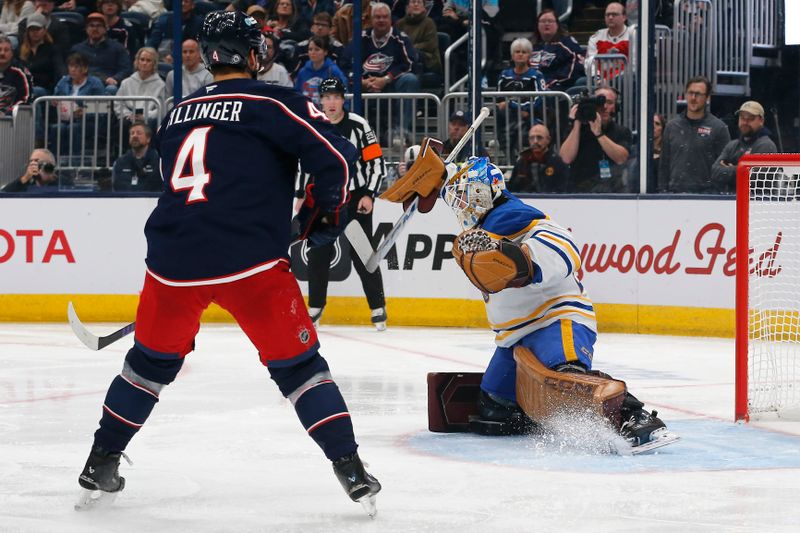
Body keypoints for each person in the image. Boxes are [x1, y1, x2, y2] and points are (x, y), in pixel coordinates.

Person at [75, 11, 381, 515]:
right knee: (301, 370)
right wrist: (325, 212)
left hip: (171, 261)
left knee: (147, 367)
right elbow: (340, 158)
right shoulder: (275, 101)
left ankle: (100, 459)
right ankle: (349, 468)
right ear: (252, 53)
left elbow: (181, 177)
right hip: (250, 264)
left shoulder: (177, 111)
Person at [438, 155, 671, 448]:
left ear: (487, 192)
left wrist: (526, 265)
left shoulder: (517, 217)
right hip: (514, 338)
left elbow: (566, 250)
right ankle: (541, 409)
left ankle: (633, 416)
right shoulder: (486, 228)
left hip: (557, 319)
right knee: (494, 412)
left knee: (567, 383)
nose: (462, 206)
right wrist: (441, 175)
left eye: (466, 197)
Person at [296, 77, 388, 331]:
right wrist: (300, 196)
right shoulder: (314, 126)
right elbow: (305, 164)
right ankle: (315, 307)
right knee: (318, 254)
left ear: (343, 99)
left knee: (362, 254)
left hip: (356, 199)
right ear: (320, 100)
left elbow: (376, 162)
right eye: (326, 97)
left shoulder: (358, 126)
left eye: (336, 97)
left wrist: (370, 193)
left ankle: (378, 308)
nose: (331, 102)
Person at [658, 76, 730, 193]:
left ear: (707, 98)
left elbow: (725, 167)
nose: (693, 98)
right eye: (690, 93)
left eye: (698, 94)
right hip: (675, 195)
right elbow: (664, 165)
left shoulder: (719, 128)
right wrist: (663, 191)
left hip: (707, 197)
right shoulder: (672, 126)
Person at [559, 86, 632, 193]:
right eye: (600, 102)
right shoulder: (577, 129)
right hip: (579, 191)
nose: (604, 107)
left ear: (616, 106)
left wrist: (599, 134)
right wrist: (577, 123)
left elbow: (621, 159)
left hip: (612, 191)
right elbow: (565, 159)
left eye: (609, 102)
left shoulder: (622, 131)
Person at [711, 100, 777, 194]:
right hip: (729, 201)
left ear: (761, 120)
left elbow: (756, 177)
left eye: (751, 118)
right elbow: (715, 172)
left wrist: (730, 169)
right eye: (742, 117)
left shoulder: (766, 145)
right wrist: (741, 169)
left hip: (757, 203)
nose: (745, 122)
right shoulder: (733, 145)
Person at [495, 38, 546, 157]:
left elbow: (539, 99)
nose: (520, 54)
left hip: (531, 115)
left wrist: (514, 106)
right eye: (517, 52)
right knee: (501, 114)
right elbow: (498, 99)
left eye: (524, 52)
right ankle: (509, 158)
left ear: (529, 55)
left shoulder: (536, 76)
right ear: (512, 55)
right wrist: (515, 108)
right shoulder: (504, 75)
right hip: (509, 115)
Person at [69, 12, 132, 95]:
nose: (95, 29)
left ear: (105, 29)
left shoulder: (118, 48)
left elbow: (125, 69)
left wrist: (116, 78)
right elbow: (72, 68)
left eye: (99, 26)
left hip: (108, 84)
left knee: (111, 89)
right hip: (83, 83)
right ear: (86, 29)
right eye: (91, 26)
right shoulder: (77, 49)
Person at [530, 8, 586, 91]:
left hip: (558, 87)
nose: (546, 24)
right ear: (537, 25)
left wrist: (552, 82)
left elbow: (574, 67)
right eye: (543, 21)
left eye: (550, 21)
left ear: (557, 25)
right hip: (532, 86)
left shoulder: (567, 43)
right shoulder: (530, 45)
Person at [115, 47, 164, 139]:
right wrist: (127, 115)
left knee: (154, 124)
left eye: (148, 60)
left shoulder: (161, 85)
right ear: (137, 61)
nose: (144, 63)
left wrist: (145, 116)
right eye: (142, 60)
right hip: (129, 117)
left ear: (154, 63)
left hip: (149, 119)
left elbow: (161, 108)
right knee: (122, 124)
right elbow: (118, 103)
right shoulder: (126, 82)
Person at [508, 124, 569, 193]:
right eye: (532, 138)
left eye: (539, 137)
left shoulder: (558, 163)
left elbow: (563, 190)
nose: (535, 141)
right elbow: (512, 189)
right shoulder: (522, 162)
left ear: (548, 140)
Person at [585, 2, 635, 81]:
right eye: (607, 15)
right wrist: (596, 78)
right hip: (600, 79)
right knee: (580, 82)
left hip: (624, 79)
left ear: (624, 17)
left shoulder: (633, 35)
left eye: (614, 14)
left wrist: (611, 79)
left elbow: (634, 65)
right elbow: (590, 62)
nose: (610, 17)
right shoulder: (596, 37)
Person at [18, 12, 64, 96]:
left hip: (45, 90)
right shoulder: (20, 50)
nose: (34, 32)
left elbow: (58, 71)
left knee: (32, 92)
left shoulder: (52, 49)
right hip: (24, 87)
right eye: (32, 29)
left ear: (45, 30)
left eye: (38, 29)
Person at [293, 35, 347, 106]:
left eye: (317, 49)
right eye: (310, 49)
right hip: (307, 112)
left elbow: (344, 93)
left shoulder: (333, 71)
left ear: (325, 52)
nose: (313, 52)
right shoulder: (303, 72)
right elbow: (297, 93)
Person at [111, 121, 162, 191]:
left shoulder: (159, 162)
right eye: (132, 133)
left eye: (139, 133)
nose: (134, 136)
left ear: (148, 139)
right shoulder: (119, 163)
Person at [396, 0, 441, 76]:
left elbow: (430, 45)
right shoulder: (400, 23)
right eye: (413, 2)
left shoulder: (429, 23)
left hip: (427, 58)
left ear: (424, 8)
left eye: (419, 2)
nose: (416, 4)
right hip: (404, 55)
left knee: (413, 54)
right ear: (407, 7)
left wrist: (410, 48)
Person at [0, 35, 33, 116]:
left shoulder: (20, 72)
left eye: (6, 50)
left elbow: (25, 98)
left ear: (12, 53)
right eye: (0, 50)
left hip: (12, 117)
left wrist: (8, 112)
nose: (2, 53)